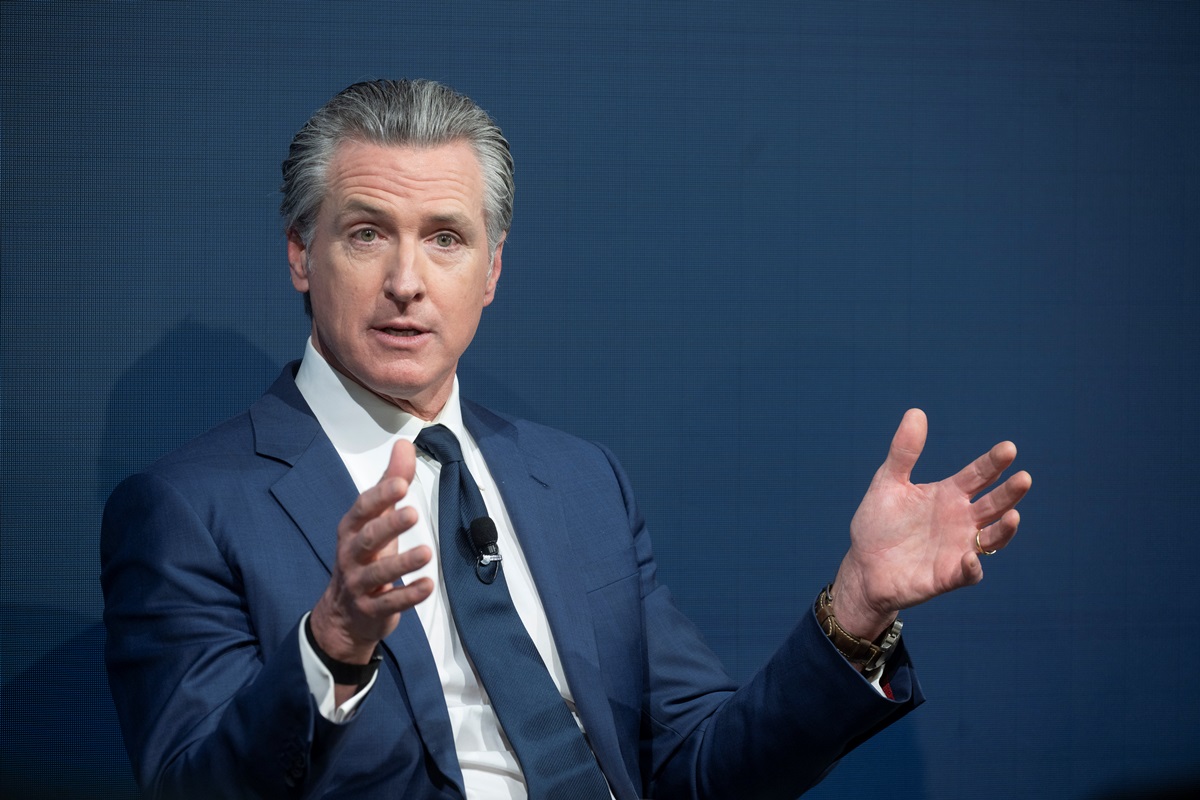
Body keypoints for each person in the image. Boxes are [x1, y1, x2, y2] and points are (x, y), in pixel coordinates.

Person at [101, 79, 1031, 800]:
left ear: (493, 271)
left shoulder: (580, 482)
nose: (407, 281)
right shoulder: (189, 509)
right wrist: (332, 645)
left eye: (446, 238)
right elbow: (193, 785)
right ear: (301, 254)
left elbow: (704, 771)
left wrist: (856, 610)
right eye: (368, 233)